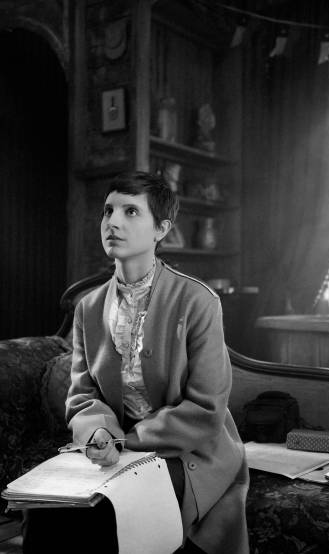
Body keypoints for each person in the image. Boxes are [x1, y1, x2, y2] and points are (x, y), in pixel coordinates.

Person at [23, 171, 249, 554]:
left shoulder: (198, 302)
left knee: (109, 511)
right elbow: (82, 396)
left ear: (161, 229)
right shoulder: (88, 308)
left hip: (188, 453)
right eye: (108, 210)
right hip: (115, 451)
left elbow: (206, 409)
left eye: (130, 212)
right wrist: (98, 434)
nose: (112, 222)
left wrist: (126, 441)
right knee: (44, 509)